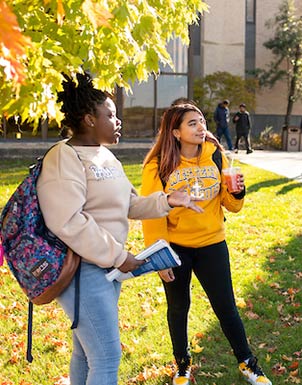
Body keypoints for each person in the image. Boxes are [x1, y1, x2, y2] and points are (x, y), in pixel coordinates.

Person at [36, 73, 200, 385]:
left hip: (108, 270)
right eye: (110, 115)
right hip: (81, 271)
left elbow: (130, 204)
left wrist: (168, 200)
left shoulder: (105, 155)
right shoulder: (64, 157)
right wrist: (117, 254)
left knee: (86, 353)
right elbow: (67, 221)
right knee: (107, 357)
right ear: (87, 119)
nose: (118, 120)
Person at [141, 103, 272, 385]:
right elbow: (152, 212)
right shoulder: (158, 164)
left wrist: (238, 192)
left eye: (202, 121)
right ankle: (182, 364)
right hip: (175, 248)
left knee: (225, 306)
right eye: (192, 123)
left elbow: (231, 205)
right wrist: (159, 257)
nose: (201, 127)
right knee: (178, 307)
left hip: (212, 243)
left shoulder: (215, 155)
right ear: (175, 132)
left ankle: (247, 362)